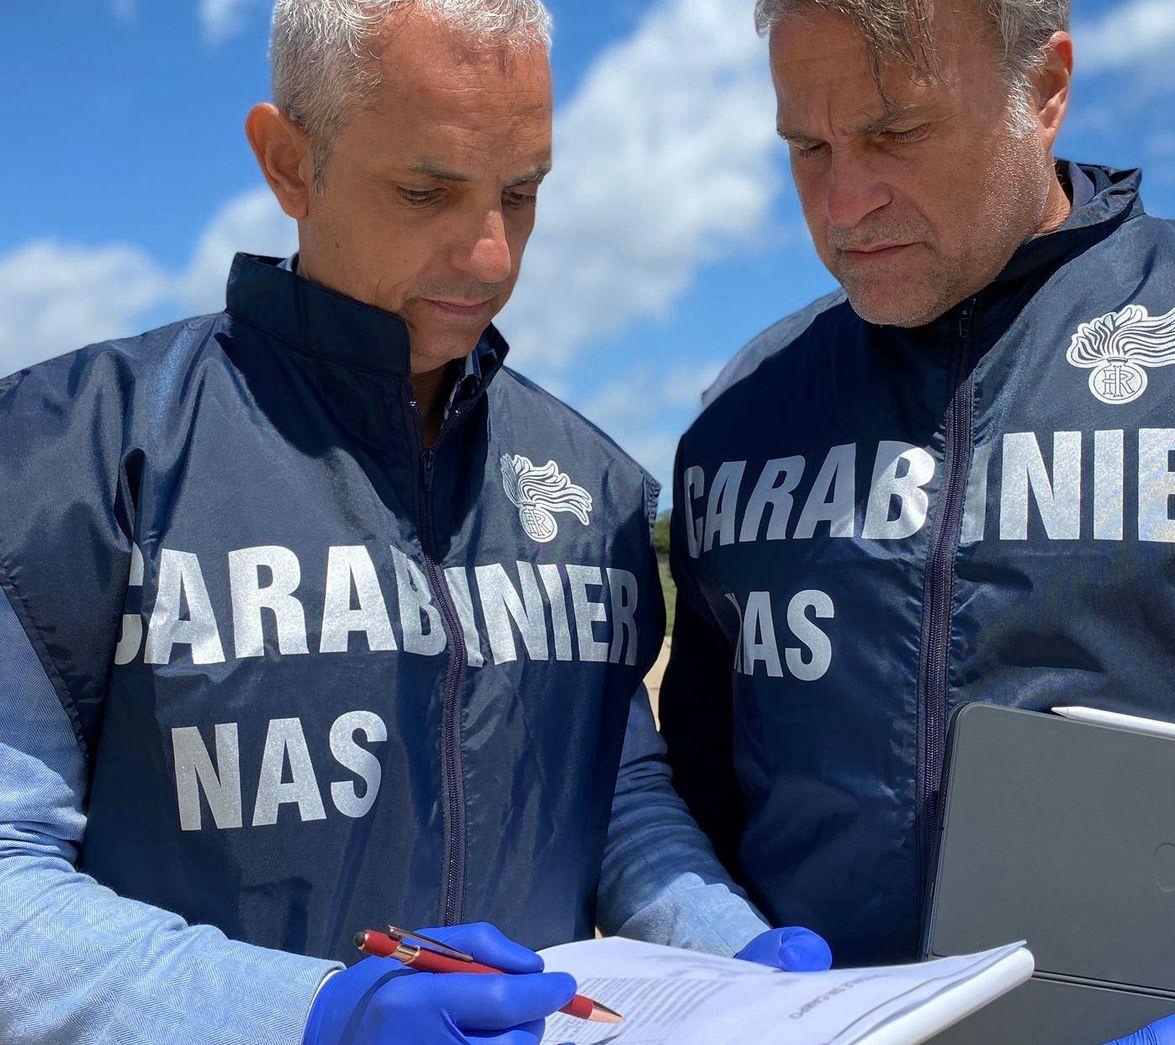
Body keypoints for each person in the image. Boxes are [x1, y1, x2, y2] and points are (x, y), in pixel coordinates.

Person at [0, 2, 829, 1043]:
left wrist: (732, 953)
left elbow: (613, 801)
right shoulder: (62, 462)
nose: (490, 258)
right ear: (288, 163)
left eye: (521, 194)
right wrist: (313, 1016)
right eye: (426, 191)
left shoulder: (590, 488)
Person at [658, 0, 1175, 1041]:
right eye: (807, 146)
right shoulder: (743, 416)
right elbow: (707, 793)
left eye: (897, 133)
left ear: (1046, 88)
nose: (844, 203)